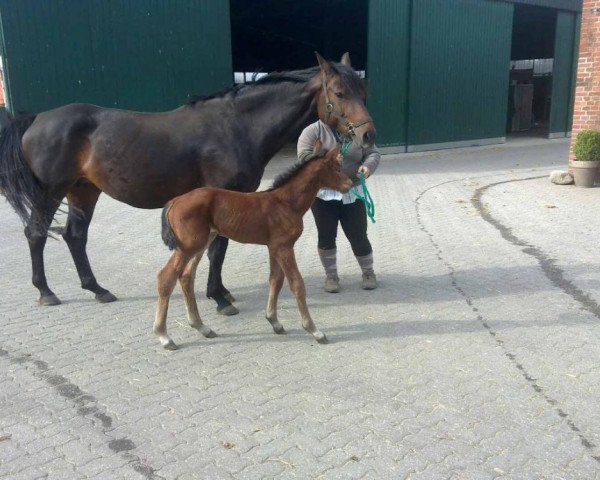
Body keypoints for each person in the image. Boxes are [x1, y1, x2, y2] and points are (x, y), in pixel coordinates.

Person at [297, 120, 380, 293]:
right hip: (323, 195)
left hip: (352, 191)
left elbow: (373, 152)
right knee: (326, 236)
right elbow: (303, 158)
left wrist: (367, 166)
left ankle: (368, 273)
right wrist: (326, 159)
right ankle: (331, 276)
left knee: (358, 235)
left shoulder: (357, 130)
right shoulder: (312, 131)